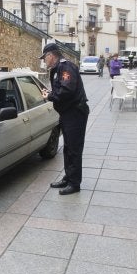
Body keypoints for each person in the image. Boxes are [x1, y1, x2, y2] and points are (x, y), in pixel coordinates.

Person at [40, 43, 89, 195]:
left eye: (44, 58)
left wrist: (50, 96)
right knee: (68, 148)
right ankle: (68, 177)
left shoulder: (66, 67)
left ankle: (74, 184)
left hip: (75, 114)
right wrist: (51, 93)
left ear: (51, 56)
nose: (44, 61)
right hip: (67, 113)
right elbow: (61, 88)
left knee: (74, 149)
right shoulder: (57, 69)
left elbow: (67, 90)